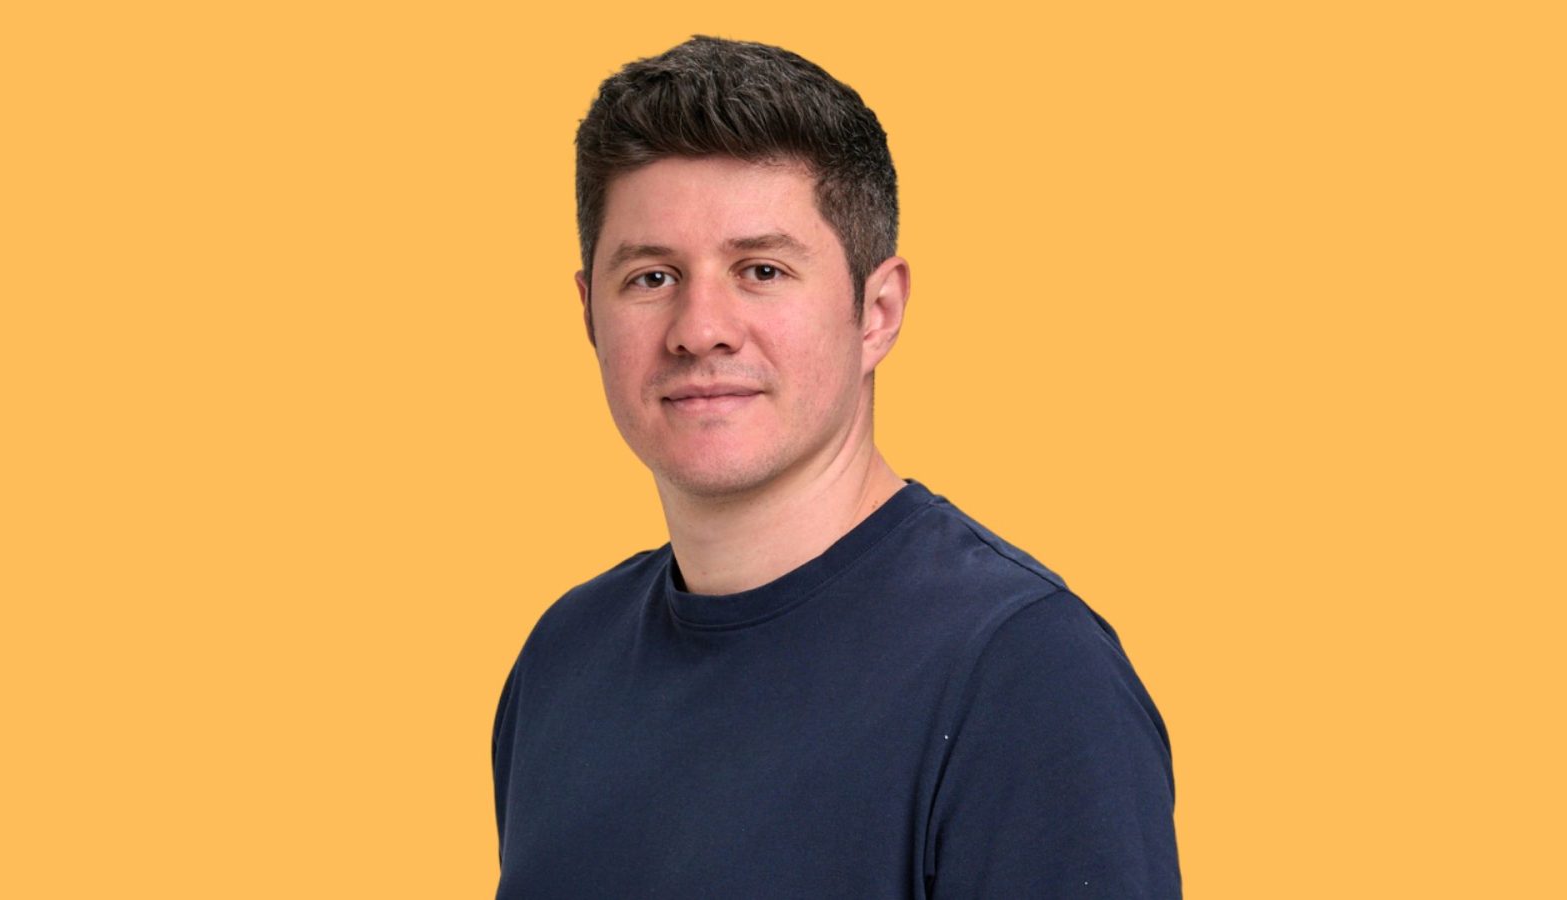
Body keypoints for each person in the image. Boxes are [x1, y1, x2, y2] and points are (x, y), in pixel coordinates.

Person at [492, 36, 1181, 898]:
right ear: (590, 315)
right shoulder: (563, 661)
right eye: (652, 277)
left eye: (762, 270)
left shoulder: (1026, 677)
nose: (700, 329)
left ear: (877, 312)